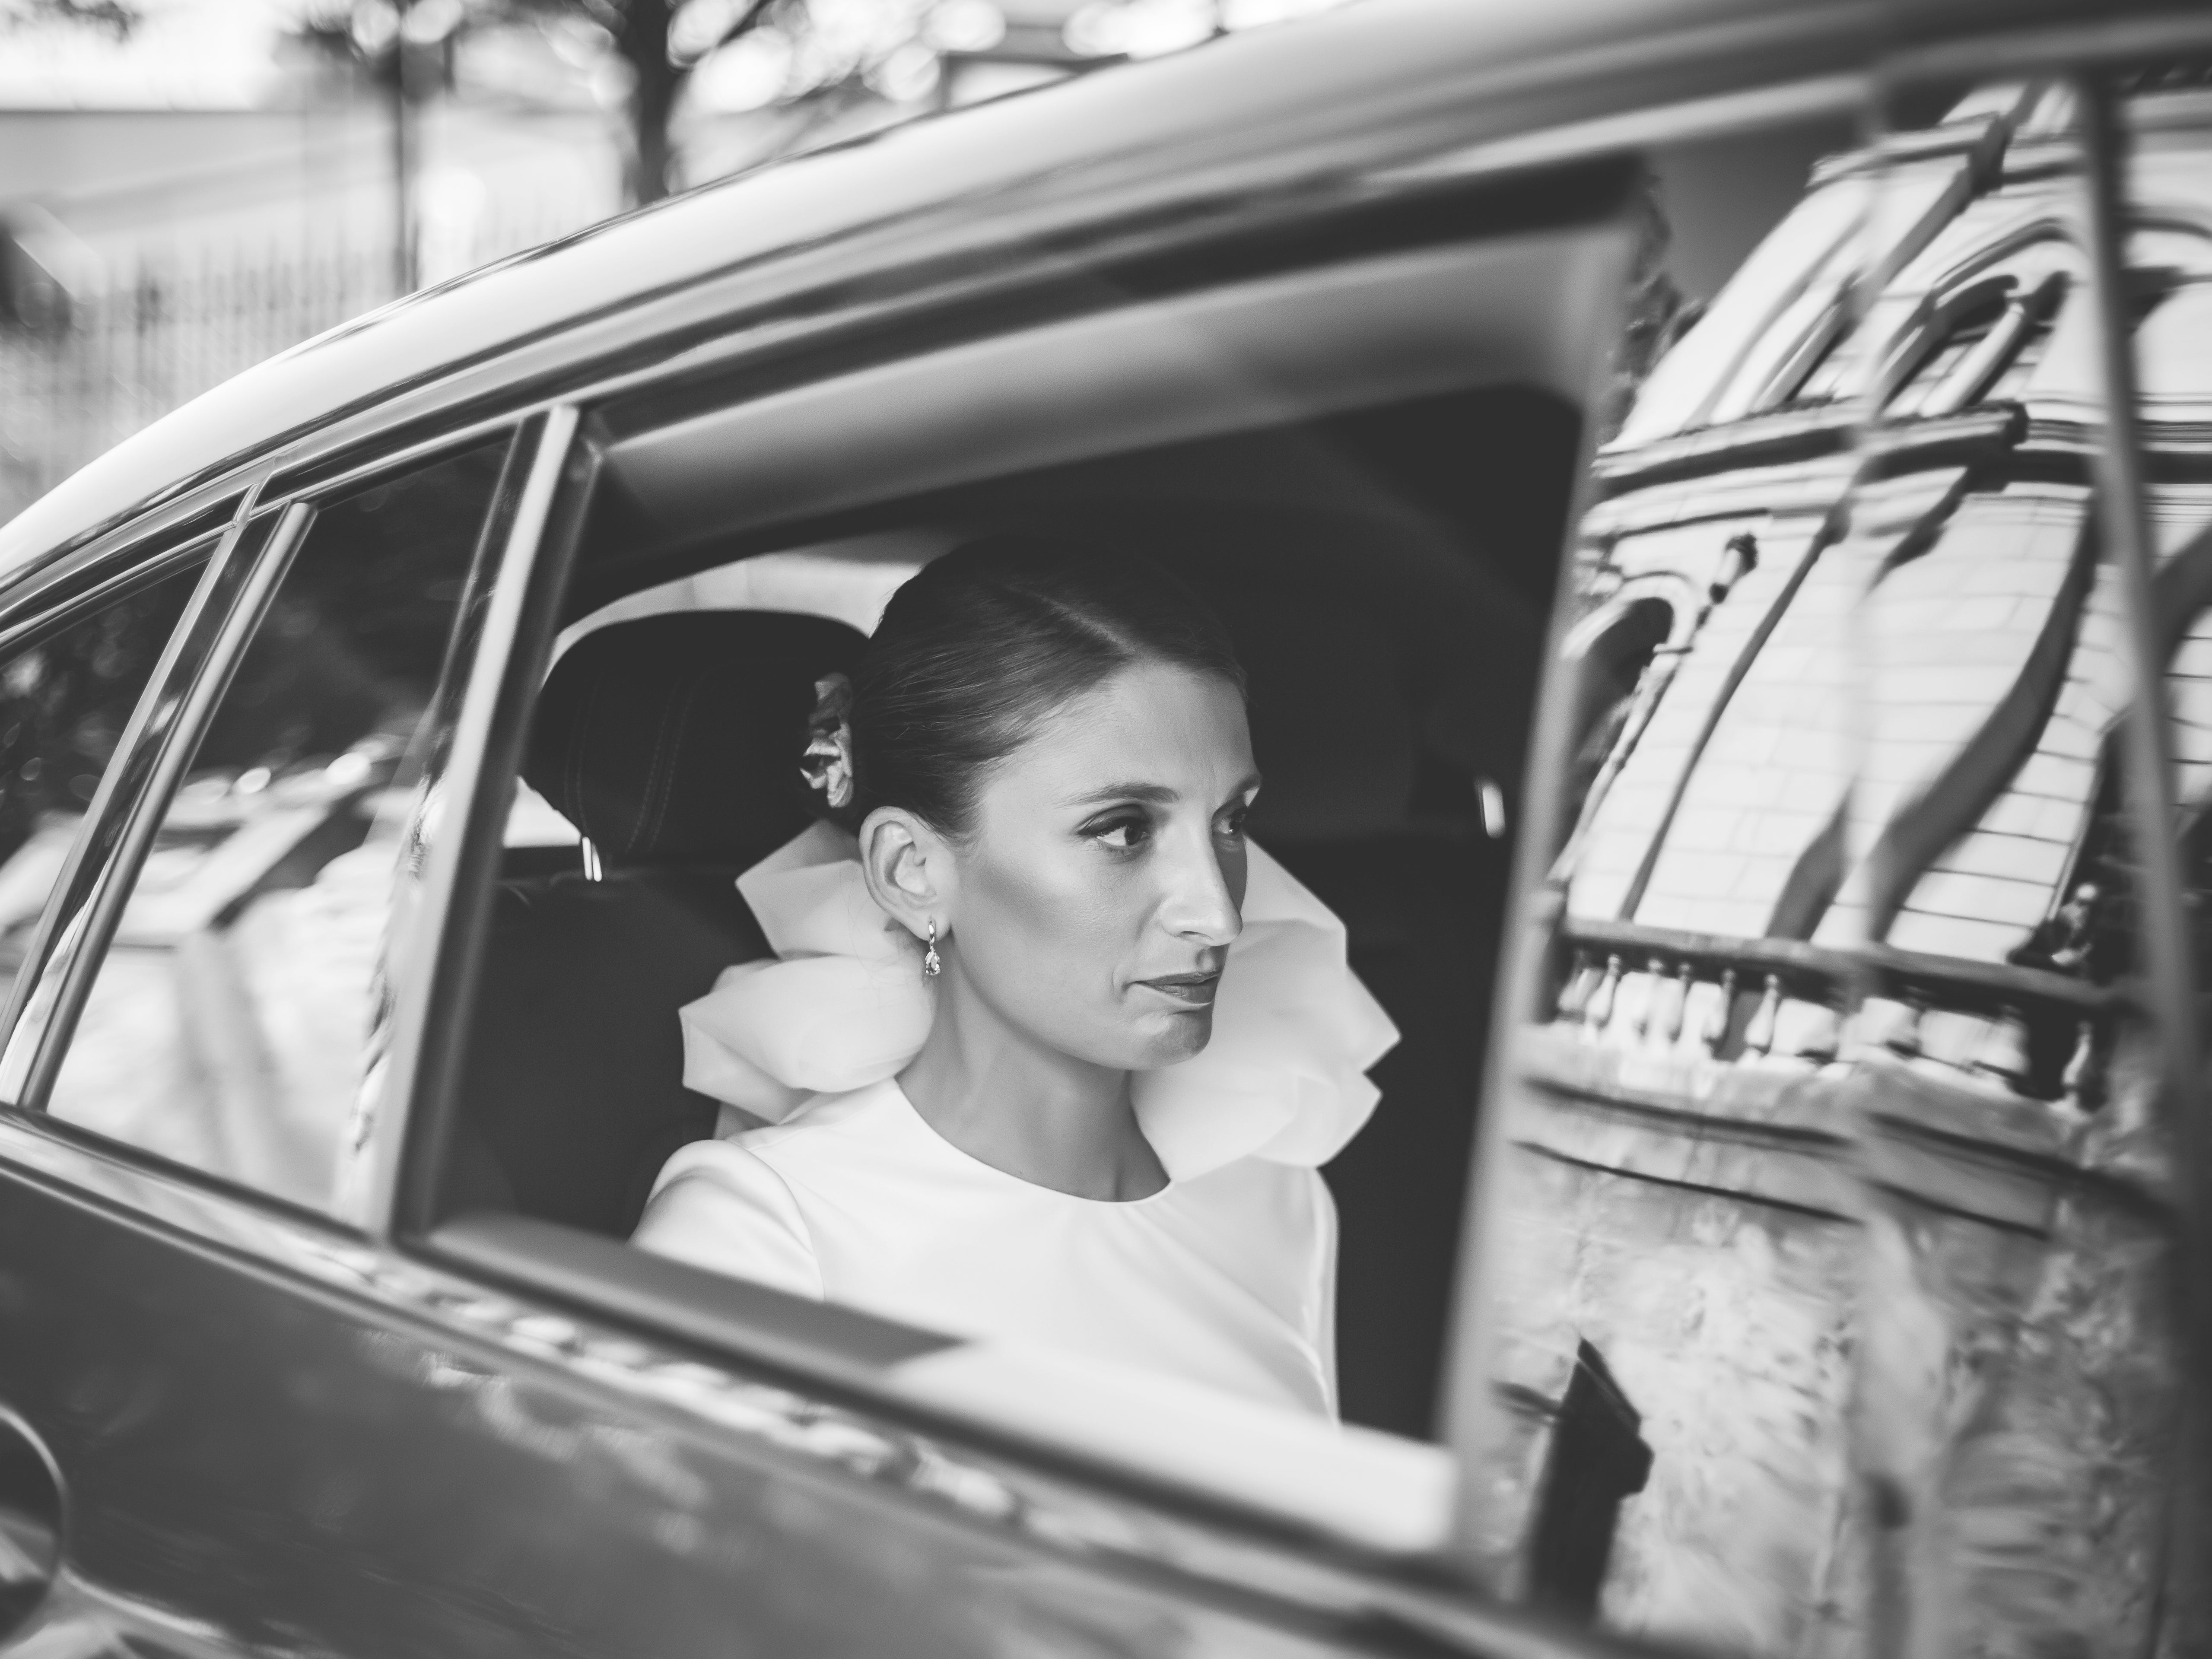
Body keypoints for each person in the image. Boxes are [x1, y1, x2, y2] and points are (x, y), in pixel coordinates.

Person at [632, 540, 1395, 1418]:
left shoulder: (1281, 1202)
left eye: (1230, 822)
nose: (1218, 915)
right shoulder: (768, 1240)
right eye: (1122, 830)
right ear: (914, 870)